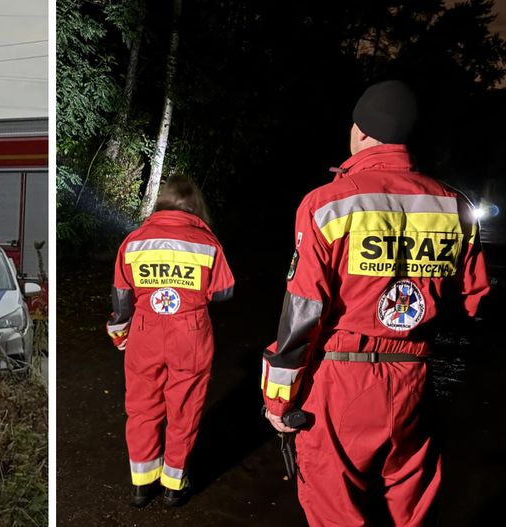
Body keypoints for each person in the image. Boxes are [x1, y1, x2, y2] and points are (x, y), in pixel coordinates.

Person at [260, 80, 490, 526]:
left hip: (341, 376)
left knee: (334, 507)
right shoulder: (453, 205)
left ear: (361, 131)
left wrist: (278, 397)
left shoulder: (327, 204)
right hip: (414, 381)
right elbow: (474, 301)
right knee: (413, 504)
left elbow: (305, 307)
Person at [106, 176, 235, 508]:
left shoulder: (134, 241)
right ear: (195, 207)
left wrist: (120, 332)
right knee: (185, 408)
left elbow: (122, 298)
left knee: (141, 408)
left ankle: (141, 484)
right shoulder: (207, 244)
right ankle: (174, 487)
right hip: (189, 333)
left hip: (145, 331)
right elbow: (224, 291)